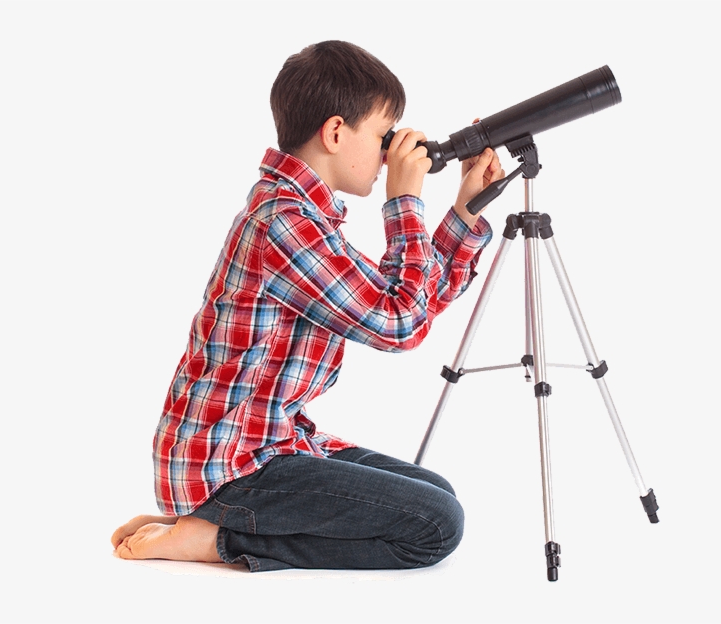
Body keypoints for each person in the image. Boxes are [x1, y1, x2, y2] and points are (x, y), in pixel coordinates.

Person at [111, 40, 504, 572]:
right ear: (336, 133)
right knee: (437, 525)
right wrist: (403, 200)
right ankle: (215, 538)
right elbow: (399, 326)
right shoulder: (285, 224)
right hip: (228, 465)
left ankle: (208, 521)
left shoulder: (305, 218)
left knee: (436, 492)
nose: (391, 153)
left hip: (262, 446)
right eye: (384, 135)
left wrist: (464, 210)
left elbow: (410, 299)